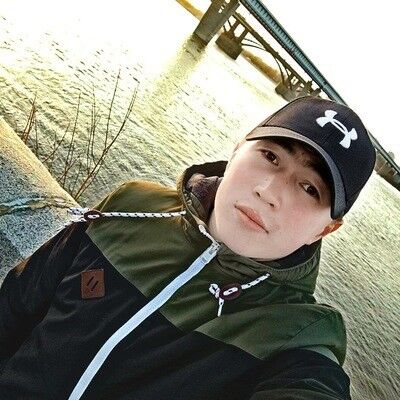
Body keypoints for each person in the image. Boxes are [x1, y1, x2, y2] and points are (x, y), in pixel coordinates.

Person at [0, 96, 376, 399]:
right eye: (270, 157)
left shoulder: (297, 336)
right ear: (237, 149)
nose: (268, 192)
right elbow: (17, 302)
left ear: (326, 229)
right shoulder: (132, 205)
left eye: (309, 188)